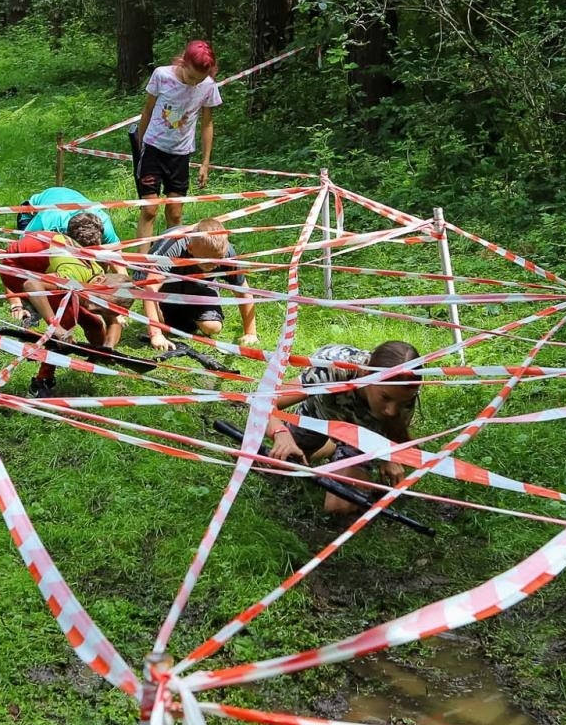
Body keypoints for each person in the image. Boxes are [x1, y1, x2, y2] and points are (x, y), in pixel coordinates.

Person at [263, 341, 422, 515]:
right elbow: (264, 401)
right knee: (288, 462)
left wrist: (389, 455)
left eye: (402, 403)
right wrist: (280, 433)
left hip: (362, 436)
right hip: (318, 416)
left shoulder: (406, 390)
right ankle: (330, 446)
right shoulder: (333, 369)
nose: (392, 410)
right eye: (385, 397)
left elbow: (394, 426)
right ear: (367, 374)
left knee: (339, 506)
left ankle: (340, 449)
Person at [12, 213, 126, 398]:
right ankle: (42, 380)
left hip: (46, 268)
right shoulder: (72, 272)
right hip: (18, 268)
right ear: (99, 282)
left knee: (94, 324)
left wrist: (108, 346)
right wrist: (56, 327)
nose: (93, 309)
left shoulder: (96, 274)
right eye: (96, 305)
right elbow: (31, 284)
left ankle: (97, 356)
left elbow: (113, 321)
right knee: (67, 319)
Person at [132, 40, 222, 241]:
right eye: (191, 77)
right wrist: (140, 145)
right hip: (153, 149)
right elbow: (147, 111)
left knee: (175, 213)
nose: (194, 83)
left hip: (180, 154)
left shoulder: (208, 86)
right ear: (183, 62)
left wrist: (205, 163)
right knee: (150, 210)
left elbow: (207, 124)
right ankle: (142, 269)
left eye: (199, 80)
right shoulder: (162, 75)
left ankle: (169, 262)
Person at [137, 218, 259, 351]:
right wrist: (156, 334)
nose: (213, 265)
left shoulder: (226, 253)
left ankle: (185, 313)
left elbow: (243, 291)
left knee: (213, 327)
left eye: (218, 259)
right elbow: (149, 289)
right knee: (162, 324)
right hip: (166, 284)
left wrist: (250, 333)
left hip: (200, 285)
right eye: (206, 261)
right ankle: (165, 312)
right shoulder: (173, 248)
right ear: (190, 248)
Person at [16, 186, 122, 245]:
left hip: (69, 197)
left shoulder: (104, 224)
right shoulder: (47, 222)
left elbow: (115, 257)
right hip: (33, 211)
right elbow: (21, 246)